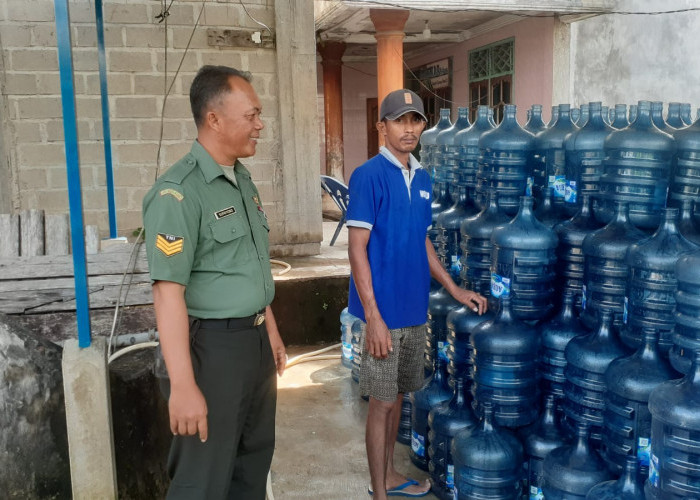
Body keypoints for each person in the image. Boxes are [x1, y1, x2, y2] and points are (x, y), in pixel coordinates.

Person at [142, 65, 286, 500]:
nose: (260, 125)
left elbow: (249, 264)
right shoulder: (178, 193)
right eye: (252, 115)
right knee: (202, 481)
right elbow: (168, 294)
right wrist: (183, 386)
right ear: (214, 119)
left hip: (255, 347)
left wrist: (272, 333)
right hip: (212, 355)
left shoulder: (241, 180)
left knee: (251, 467)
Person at [347, 89, 488, 499]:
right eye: (399, 120)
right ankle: (379, 491)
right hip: (383, 314)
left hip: (414, 308)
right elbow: (357, 249)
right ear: (382, 127)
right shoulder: (368, 176)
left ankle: (389, 474)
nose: (409, 129)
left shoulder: (423, 177)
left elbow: (423, 241)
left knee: (401, 397)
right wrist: (373, 316)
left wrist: (454, 288)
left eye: (415, 120)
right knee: (382, 402)